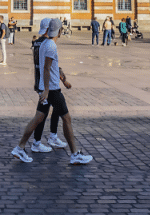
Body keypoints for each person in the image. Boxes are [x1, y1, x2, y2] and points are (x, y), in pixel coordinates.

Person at [11, 19, 92, 165]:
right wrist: (47, 90)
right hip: (52, 90)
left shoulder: (45, 44)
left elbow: (50, 67)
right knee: (66, 119)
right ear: (59, 31)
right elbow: (47, 68)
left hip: (46, 87)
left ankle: (20, 147)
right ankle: (75, 154)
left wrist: (53, 84)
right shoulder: (51, 46)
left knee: (38, 118)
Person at [28, 19, 66, 154]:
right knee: (42, 115)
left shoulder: (38, 42)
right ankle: (40, 141)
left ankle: (48, 138)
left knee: (47, 112)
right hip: (46, 84)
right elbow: (46, 66)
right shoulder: (46, 43)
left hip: (42, 82)